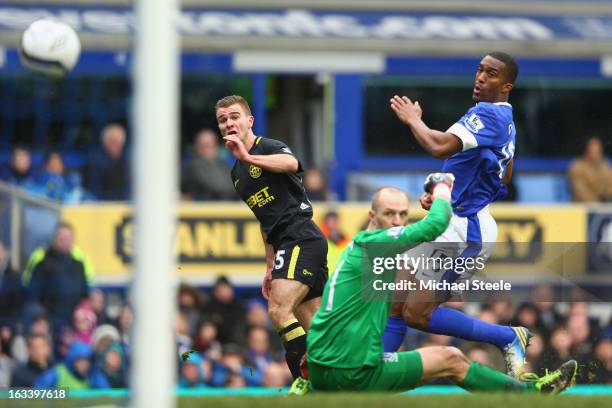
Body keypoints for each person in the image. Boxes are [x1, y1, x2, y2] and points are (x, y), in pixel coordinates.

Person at [306, 182, 577, 394]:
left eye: (403, 214)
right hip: (351, 371)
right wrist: (442, 187)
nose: (398, 221)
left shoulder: (360, 247)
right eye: (390, 214)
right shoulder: (379, 246)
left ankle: (307, 390)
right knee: (451, 358)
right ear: (373, 215)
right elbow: (436, 224)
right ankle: (530, 393)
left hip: (320, 366)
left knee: (398, 309)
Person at [385, 52, 530, 378]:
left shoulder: (489, 117)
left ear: (506, 85)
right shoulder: (503, 119)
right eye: (479, 70)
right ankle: (368, 374)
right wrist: (442, 195)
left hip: (465, 231)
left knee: (418, 314)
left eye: (491, 74)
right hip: (448, 218)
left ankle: (508, 336)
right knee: (394, 301)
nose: (480, 77)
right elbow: (503, 175)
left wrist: (413, 119)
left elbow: (439, 146)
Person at [216, 95, 328, 392]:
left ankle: (304, 380)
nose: (229, 123)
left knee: (278, 310)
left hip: (301, 236)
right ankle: (334, 387)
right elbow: (265, 220)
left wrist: (249, 157)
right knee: (315, 330)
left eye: (234, 116)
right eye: (223, 119)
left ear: (249, 121)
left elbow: (292, 163)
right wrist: (269, 264)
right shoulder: (236, 174)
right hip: (285, 243)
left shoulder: (265, 147)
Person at [22, 222, 93, 337]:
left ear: (73, 240)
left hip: (74, 324)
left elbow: (85, 294)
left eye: (68, 238)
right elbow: (32, 295)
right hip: (50, 323)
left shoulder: (78, 265)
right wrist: (41, 318)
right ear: (55, 239)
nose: (65, 241)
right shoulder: (42, 264)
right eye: (62, 238)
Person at [181, 129, 237, 201]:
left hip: (228, 208)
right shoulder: (192, 167)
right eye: (201, 145)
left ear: (216, 147)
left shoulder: (224, 166)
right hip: (203, 209)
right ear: (196, 147)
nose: (204, 149)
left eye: (208, 145)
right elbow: (218, 187)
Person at [33, 340, 109, 389]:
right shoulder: (56, 374)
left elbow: (105, 394)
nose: (84, 364)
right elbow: (38, 393)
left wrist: (95, 373)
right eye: (80, 360)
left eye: (87, 361)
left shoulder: (92, 376)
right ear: (72, 360)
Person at [87, 123, 130, 200]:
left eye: (119, 143)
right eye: (113, 142)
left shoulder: (128, 160)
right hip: (104, 205)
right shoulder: (95, 160)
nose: (116, 146)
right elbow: (94, 189)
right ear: (105, 142)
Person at [568, 136, 612, 202]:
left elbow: (610, 188)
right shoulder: (576, 167)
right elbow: (581, 193)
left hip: (604, 207)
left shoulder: (605, 166)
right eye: (593, 150)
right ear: (586, 150)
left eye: (598, 150)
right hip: (583, 208)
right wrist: (600, 205)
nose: (597, 153)